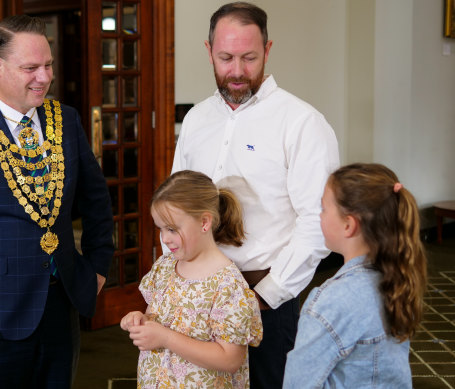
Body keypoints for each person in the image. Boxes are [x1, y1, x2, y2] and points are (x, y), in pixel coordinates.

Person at [0, 15, 114, 388]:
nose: (43, 77)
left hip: (62, 307)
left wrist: (98, 267)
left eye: (48, 66)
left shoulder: (67, 120)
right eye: (30, 68)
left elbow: (97, 202)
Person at [171, 2, 340, 387]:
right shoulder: (197, 120)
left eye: (249, 58)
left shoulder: (302, 123)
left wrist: (267, 295)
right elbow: (178, 205)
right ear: (208, 50)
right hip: (197, 292)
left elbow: (317, 222)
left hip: (264, 296)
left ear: (267, 50)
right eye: (225, 57)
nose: (236, 71)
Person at [283, 163, 427, 388]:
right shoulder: (396, 277)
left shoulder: (329, 301)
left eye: (323, 208)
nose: (319, 216)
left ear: (348, 225)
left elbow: (297, 384)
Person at [121, 170, 263, 388]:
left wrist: (166, 338)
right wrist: (140, 320)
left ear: (204, 222)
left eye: (172, 229)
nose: (165, 238)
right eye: (160, 228)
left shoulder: (228, 286)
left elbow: (230, 359)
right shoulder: (165, 267)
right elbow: (154, 316)